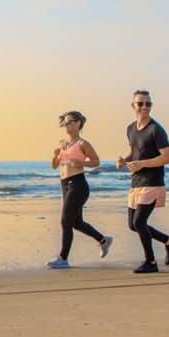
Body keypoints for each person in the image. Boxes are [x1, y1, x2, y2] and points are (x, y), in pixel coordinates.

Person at [117, 90, 169, 273]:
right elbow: (135, 151)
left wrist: (141, 164)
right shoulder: (130, 128)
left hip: (153, 182)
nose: (144, 107)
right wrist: (125, 160)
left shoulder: (156, 129)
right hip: (136, 183)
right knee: (133, 225)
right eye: (141, 104)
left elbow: (168, 157)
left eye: (148, 104)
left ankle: (151, 262)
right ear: (133, 106)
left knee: (139, 223)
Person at [47, 110, 112, 269]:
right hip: (65, 184)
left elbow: (96, 161)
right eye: (65, 123)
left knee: (65, 221)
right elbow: (55, 166)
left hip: (78, 185)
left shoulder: (82, 143)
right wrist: (55, 156)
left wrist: (82, 164)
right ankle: (103, 240)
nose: (66, 125)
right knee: (77, 223)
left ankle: (63, 258)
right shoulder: (62, 143)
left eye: (69, 122)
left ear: (78, 123)